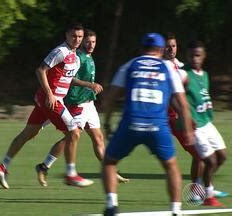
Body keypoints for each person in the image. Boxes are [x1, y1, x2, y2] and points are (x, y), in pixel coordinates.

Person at [101, 33, 194, 216]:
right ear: (160, 50)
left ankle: (112, 205)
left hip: (131, 123)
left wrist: (107, 124)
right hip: (158, 126)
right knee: (171, 166)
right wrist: (188, 130)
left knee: (109, 162)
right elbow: (182, 104)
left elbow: (109, 99)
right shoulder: (168, 68)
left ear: (142, 49)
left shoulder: (129, 66)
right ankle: (176, 210)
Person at [0, 23, 94, 189]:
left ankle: (2, 167)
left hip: (50, 99)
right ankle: (71, 174)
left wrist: (88, 86)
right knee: (74, 132)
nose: (77, 39)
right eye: (73, 36)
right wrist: (49, 93)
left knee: (28, 133)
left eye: (80, 37)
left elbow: (66, 79)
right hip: (51, 100)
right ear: (66, 36)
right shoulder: (60, 51)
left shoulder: (75, 57)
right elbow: (40, 70)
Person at [35, 29, 129, 187]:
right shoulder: (76, 56)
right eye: (87, 41)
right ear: (81, 41)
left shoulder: (89, 58)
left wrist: (93, 93)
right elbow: (69, 79)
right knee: (71, 136)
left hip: (89, 105)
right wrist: (90, 85)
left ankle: (111, 170)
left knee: (98, 138)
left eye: (93, 41)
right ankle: (45, 166)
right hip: (77, 104)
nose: (90, 44)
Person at [165, 34, 228, 200]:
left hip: (202, 121)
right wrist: (180, 115)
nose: (171, 49)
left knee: (213, 157)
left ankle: (201, 188)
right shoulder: (171, 68)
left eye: (174, 45)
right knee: (204, 157)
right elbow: (171, 93)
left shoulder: (183, 66)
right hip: (183, 121)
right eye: (168, 46)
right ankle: (203, 192)